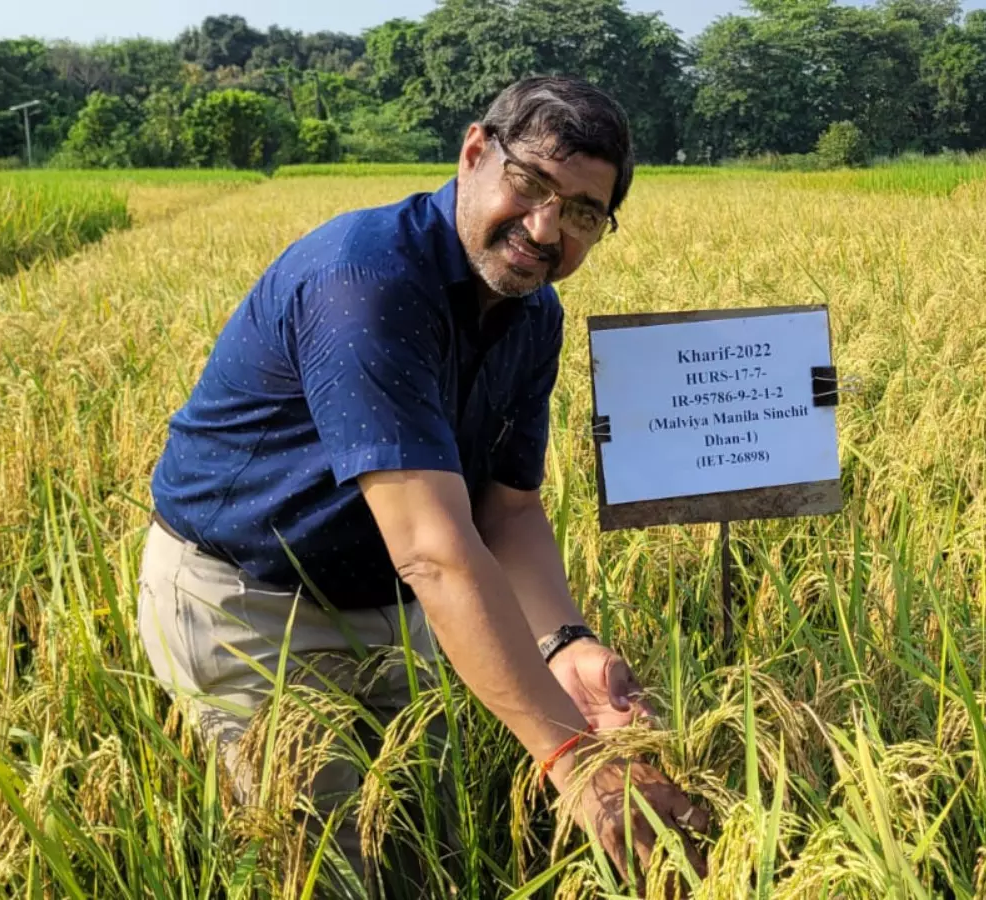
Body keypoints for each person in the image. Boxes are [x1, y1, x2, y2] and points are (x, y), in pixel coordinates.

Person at [136, 75, 709, 894]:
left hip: (392, 603)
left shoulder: (531, 313)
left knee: (427, 838)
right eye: (532, 183)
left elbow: (507, 511)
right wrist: (574, 759)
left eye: (583, 212)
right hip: (249, 605)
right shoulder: (365, 282)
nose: (545, 229)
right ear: (475, 151)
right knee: (338, 862)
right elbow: (436, 553)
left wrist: (566, 644)